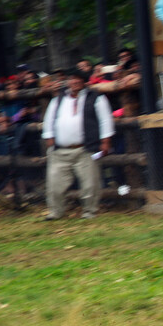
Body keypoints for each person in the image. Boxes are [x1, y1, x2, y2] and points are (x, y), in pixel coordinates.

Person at [41, 68, 115, 220]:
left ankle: (89, 212)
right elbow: (49, 120)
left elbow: (105, 120)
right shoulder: (58, 99)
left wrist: (106, 141)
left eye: (78, 79)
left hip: (86, 148)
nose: (74, 82)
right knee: (55, 183)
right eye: (71, 79)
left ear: (84, 81)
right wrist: (49, 137)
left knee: (90, 184)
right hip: (60, 150)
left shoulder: (96, 97)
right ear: (68, 82)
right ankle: (56, 212)